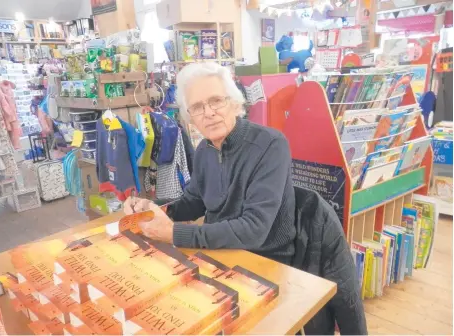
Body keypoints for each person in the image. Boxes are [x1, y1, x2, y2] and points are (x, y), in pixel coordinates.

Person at [124, 62, 367, 335]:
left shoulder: (270, 145)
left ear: (234, 103)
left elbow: (254, 229)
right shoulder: (204, 150)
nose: (209, 113)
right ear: (189, 116)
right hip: (222, 257)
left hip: (268, 264)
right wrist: (152, 209)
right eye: (198, 107)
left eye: (216, 101)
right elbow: (192, 202)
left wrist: (174, 234)